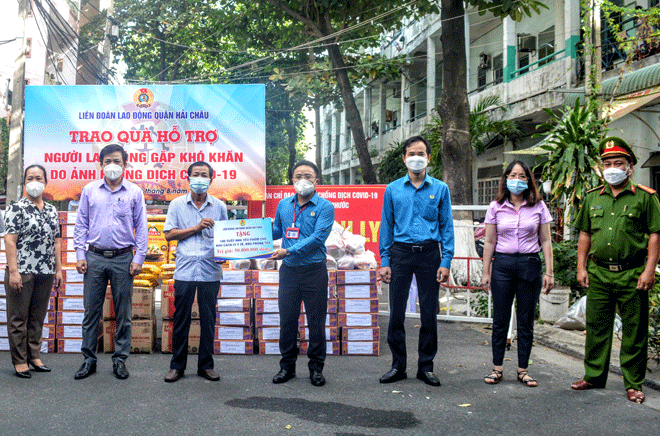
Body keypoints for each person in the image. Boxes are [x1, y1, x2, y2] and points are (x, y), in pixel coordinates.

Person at [571, 137, 660, 404]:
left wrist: (649, 270)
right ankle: (594, 376)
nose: (612, 167)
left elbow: (655, 235)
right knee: (597, 326)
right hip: (599, 273)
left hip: (632, 273)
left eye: (618, 163)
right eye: (607, 163)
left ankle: (633, 383)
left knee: (634, 330)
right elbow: (585, 234)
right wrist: (581, 267)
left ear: (630, 166)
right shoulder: (591, 198)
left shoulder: (645, 198)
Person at [378, 135, 454, 387]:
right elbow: (386, 226)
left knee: (429, 313)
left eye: (421, 153)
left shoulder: (440, 189)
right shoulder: (393, 189)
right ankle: (398, 366)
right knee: (396, 314)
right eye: (411, 153)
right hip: (400, 254)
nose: (416, 158)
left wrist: (446, 260)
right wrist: (385, 260)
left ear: (429, 157)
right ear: (404, 158)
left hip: (430, 255)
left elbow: (447, 226)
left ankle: (426, 367)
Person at [73, 144, 148, 380]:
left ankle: (120, 360)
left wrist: (139, 257)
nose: (112, 165)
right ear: (100, 164)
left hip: (123, 259)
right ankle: (88, 359)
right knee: (91, 311)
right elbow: (81, 224)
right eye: (107, 161)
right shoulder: (89, 190)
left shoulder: (134, 192)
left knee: (123, 313)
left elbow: (142, 226)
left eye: (117, 161)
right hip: (94, 257)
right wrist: (79, 254)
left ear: (125, 164)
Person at [481, 160, 554, 387]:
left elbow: (545, 240)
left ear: (529, 180)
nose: (517, 180)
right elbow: (490, 241)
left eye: (522, 176)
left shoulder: (539, 207)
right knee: (500, 320)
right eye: (513, 175)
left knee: (525, 321)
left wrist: (550, 272)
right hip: (502, 265)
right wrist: (485, 272)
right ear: (506, 179)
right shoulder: (495, 207)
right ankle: (497, 368)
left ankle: (523, 370)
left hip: (529, 265)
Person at [270, 160, 334, 387]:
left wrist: (288, 251)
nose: (302, 180)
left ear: (317, 181)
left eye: (308, 176)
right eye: (298, 176)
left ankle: (316, 369)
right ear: (292, 180)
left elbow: (318, 239)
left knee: (316, 322)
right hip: (289, 272)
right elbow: (277, 230)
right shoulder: (283, 205)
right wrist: (252, 231)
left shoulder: (325, 207)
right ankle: (286, 367)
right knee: (287, 321)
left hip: (314, 271)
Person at [163, 162, 228, 383]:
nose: (200, 178)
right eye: (196, 175)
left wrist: (227, 252)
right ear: (188, 177)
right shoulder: (177, 204)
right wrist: (196, 228)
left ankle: (206, 365)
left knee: (208, 319)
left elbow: (225, 237)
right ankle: (177, 366)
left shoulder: (219, 206)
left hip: (210, 270)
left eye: (204, 175)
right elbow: (169, 235)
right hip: (185, 270)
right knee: (181, 319)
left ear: (212, 178)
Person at [4, 165, 63, 378]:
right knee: (18, 318)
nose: (34, 181)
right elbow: (10, 240)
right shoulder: (16, 207)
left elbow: (56, 241)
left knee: (37, 317)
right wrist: (13, 272)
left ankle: (34, 355)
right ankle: (20, 361)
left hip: (45, 272)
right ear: (24, 182)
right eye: (30, 177)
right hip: (22, 271)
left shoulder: (51, 210)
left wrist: (58, 269)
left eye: (39, 177)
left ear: (45, 182)